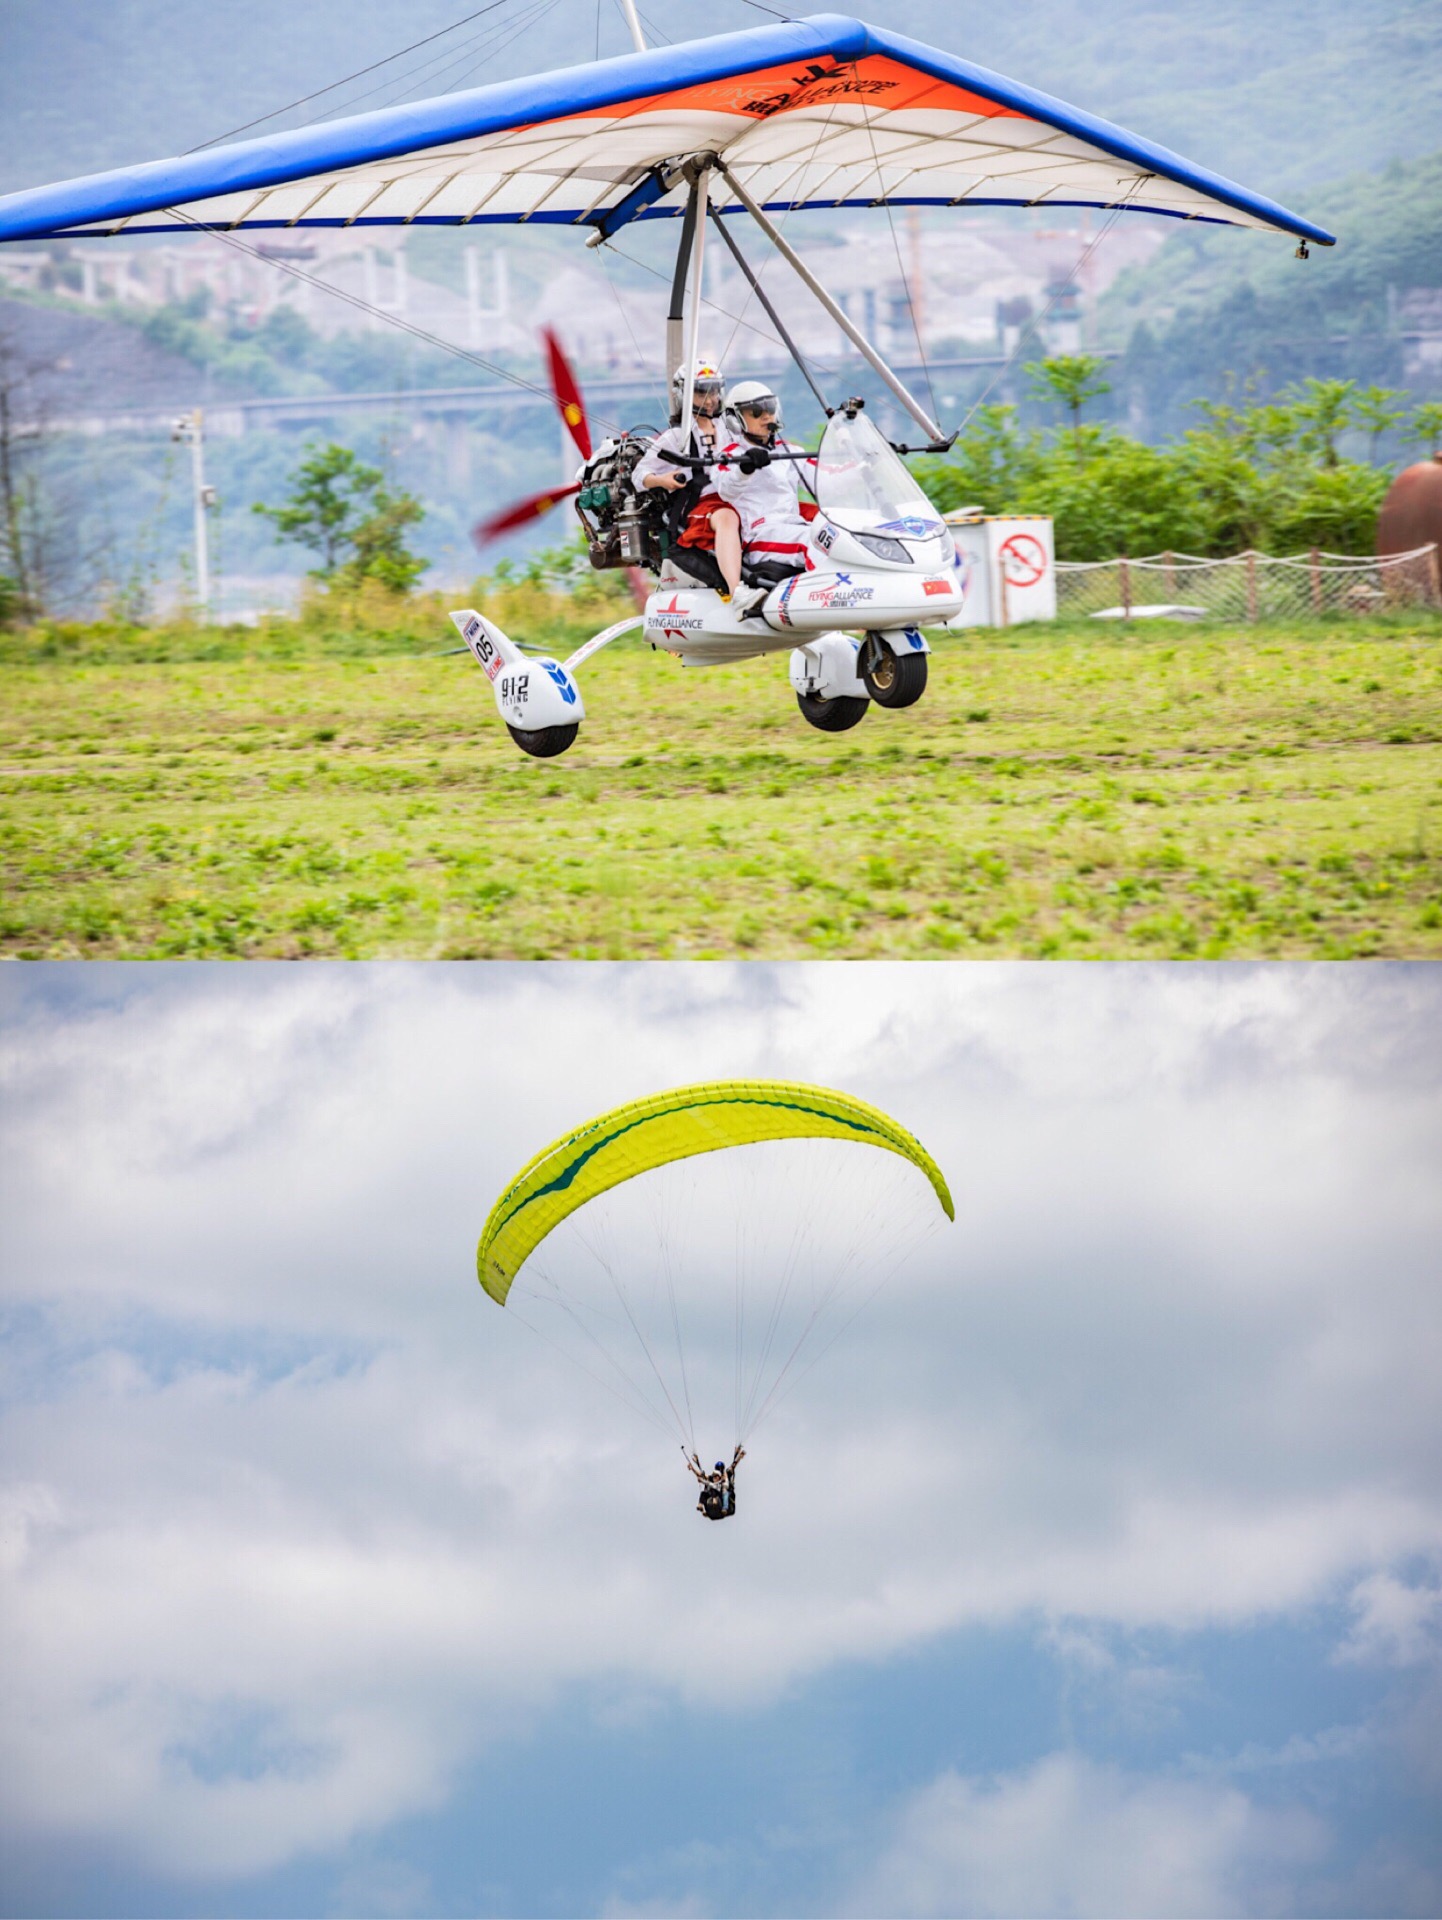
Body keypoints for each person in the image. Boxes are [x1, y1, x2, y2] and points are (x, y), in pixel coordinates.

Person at [632, 357, 744, 599]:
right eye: (703, 392)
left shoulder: (731, 427)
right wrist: (662, 480)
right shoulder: (676, 437)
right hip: (703, 504)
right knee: (726, 518)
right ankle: (737, 592)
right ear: (684, 395)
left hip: (738, 496)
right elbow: (639, 475)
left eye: (714, 391)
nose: (711, 399)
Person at [712, 381, 820, 610]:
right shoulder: (730, 455)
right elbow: (726, 488)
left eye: (769, 409)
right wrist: (745, 468)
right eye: (757, 412)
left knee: (838, 536)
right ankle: (824, 605)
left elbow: (825, 479)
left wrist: (864, 465)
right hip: (760, 536)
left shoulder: (790, 451)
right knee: (814, 542)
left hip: (793, 526)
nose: (766, 417)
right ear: (736, 419)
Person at [686, 1445, 745, 1520]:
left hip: (723, 1494)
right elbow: (701, 1476)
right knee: (705, 1492)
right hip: (714, 1495)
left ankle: (724, 1507)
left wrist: (739, 1456)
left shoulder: (726, 1474)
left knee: (724, 1492)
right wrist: (692, 1469)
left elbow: (733, 1465)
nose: (716, 1476)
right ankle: (703, 1508)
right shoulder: (712, 1478)